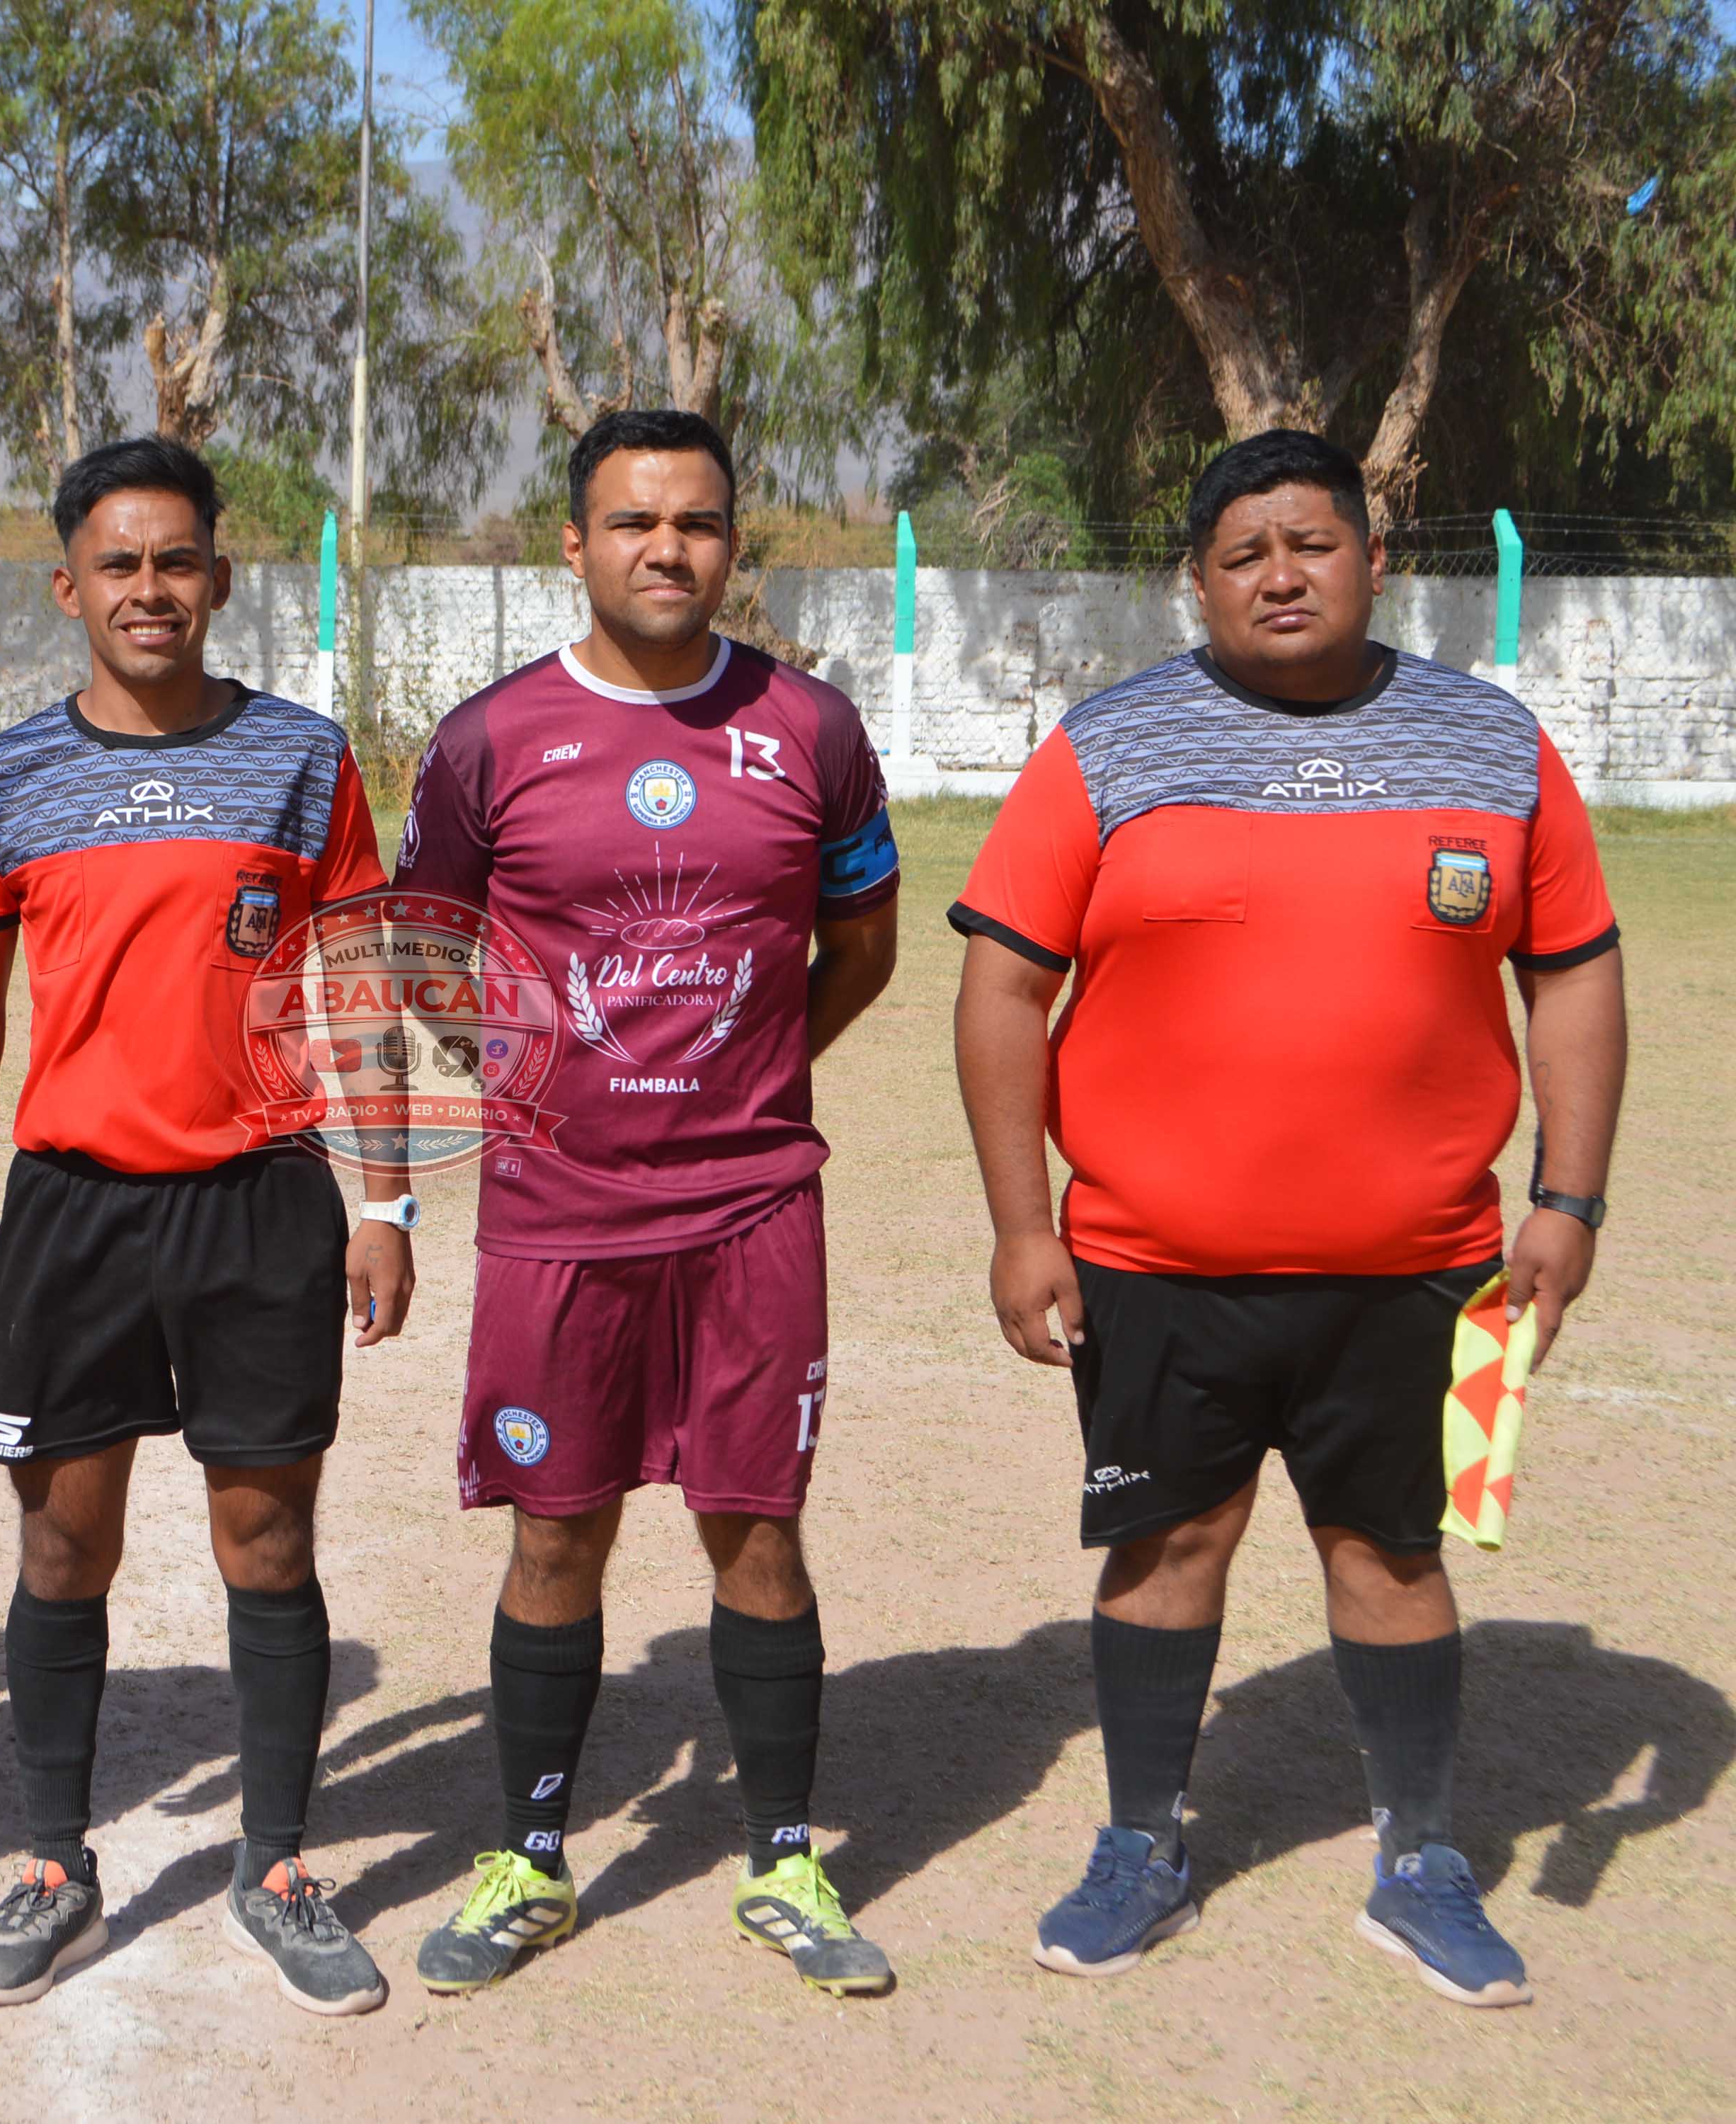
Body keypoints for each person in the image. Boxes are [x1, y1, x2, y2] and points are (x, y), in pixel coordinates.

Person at [949, 428, 1626, 2008]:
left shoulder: (1496, 746)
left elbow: (1576, 975)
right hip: (1151, 1266)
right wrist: (1022, 1225)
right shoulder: (1108, 748)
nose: (1281, 575)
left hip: (1429, 1272)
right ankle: (1141, 1845)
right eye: (1243, 554)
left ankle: (1423, 1862)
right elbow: (1001, 990)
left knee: (1396, 1554)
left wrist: (1569, 1197)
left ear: (1374, 560)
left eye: (1312, 543)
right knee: (1164, 1545)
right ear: (1198, 583)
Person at [389, 409, 905, 1998]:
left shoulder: (810, 729)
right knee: (558, 1533)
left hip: (754, 1207)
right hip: (558, 1218)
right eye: (632, 521)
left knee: (757, 1527)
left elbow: (863, 945)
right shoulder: (487, 742)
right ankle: (531, 1859)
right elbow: (424, 952)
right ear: (575, 543)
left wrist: (750, 1075)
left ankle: (785, 1862)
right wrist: (536, 1082)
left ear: (732, 543)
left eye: (695, 523)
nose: (665, 549)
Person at [0, 437, 412, 2017]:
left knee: (268, 1538)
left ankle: (277, 1866)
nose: (150, 588)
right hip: (72, 1209)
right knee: (64, 1540)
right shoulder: (4, 778)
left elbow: (359, 983)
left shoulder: (304, 760)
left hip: (261, 1204)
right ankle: (55, 1862)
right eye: (118, 563)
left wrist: (386, 1196)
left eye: (177, 560)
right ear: (68, 588)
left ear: (220, 577)